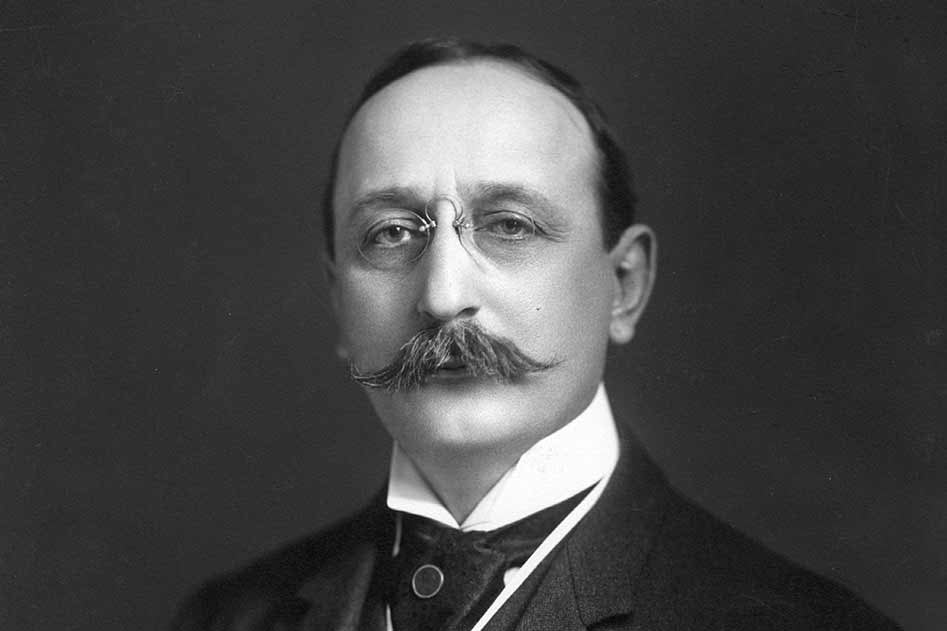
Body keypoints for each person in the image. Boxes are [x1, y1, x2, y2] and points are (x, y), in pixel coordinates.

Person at [172, 38, 902, 631]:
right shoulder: (227, 618)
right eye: (391, 233)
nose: (442, 296)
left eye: (509, 226)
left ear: (624, 285)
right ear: (338, 304)